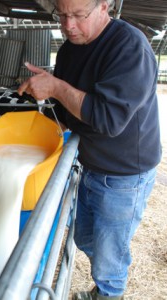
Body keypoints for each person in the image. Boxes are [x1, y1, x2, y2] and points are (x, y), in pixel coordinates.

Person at [17, 0, 162, 299]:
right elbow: (66, 108)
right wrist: (42, 96)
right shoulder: (71, 49)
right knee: (84, 237)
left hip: (124, 174)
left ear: (104, 8)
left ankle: (108, 293)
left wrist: (56, 87)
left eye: (79, 15)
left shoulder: (128, 46)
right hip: (91, 163)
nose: (69, 26)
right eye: (63, 15)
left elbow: (108, 118)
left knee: (109, 257)